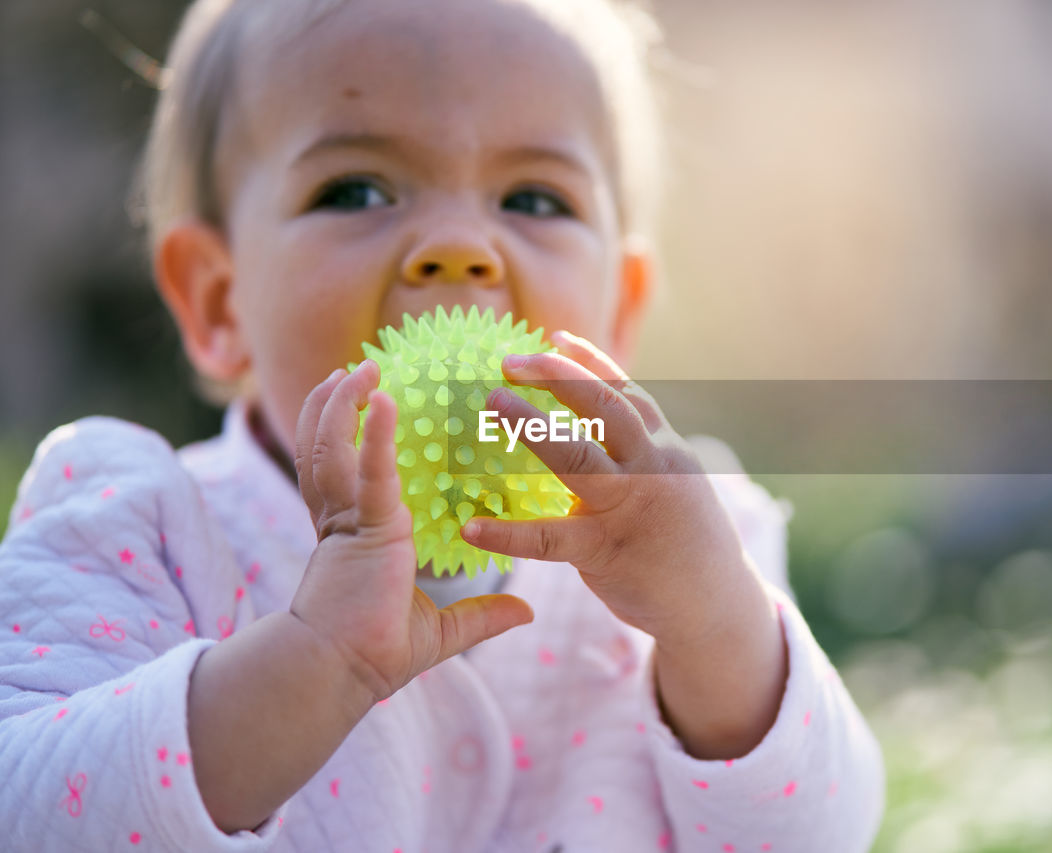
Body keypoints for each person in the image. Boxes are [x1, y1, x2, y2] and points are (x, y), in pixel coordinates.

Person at [0, 0, 884, 849]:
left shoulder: (692, 545)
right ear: (219, 300)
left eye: (535, 200)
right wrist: (311, 663)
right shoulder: (136, 526)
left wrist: (713, 623)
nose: (461, 244)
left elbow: (823, 834)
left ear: (619, 311)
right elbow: (27, 811)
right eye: (355, 188)